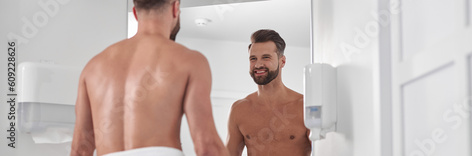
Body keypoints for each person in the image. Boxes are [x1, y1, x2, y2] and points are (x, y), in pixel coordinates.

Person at [70, 0, 229, 156]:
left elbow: (80, 150)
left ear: (135, 13)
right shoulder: (190, 60)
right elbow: (207, 147)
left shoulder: (93, 67)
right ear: (175, 8)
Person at [225, 29, 311, 156]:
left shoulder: (304, 106)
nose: (258, 64)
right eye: (253, 59)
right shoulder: (239, 109)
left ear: (282, 61)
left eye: (266, 57)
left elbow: (325, 151)